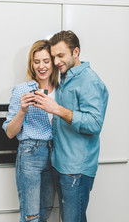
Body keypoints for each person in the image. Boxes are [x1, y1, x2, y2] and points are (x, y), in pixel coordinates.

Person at [34, 30, 109, 222]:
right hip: (61, 165)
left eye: (61, 55)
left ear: (76, 52)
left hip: (76, 170)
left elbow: (94, 123)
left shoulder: (89, 80)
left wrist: (57, 109)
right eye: (54, 56)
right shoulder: (66, 78)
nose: (56, 61)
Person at [2, 40, 59, 222]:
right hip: (30, 155)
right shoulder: (22, 90)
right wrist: (22, 110)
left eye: (46, 61)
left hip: (56, 155)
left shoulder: (62, 90)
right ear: (31, 64)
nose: (41, 66)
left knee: (47, 210)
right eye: (36, 62)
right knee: (31, 216)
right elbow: (10, 132)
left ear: (53, 62)